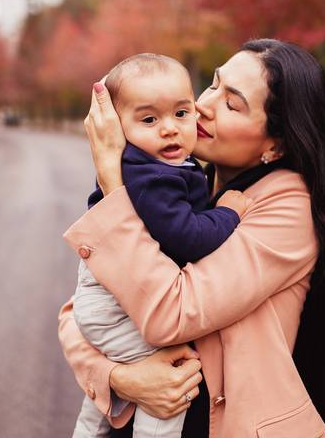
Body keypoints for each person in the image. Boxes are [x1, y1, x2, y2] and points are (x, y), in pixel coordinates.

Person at [59, 39, 325, 437]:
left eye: (232, 103)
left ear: (275, 145)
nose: (204, 105)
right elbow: (77, 313)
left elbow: (170, 315)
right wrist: (119, 378)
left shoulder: (288, 207)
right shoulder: (184, 186)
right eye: (213, 85)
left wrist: (111, 178)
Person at [72, 53, 251, 438]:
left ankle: (88, 430)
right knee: (167, 384)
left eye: (182, 114)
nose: (170, 129)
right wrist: (229, 214)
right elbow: (186, 237)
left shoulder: (158, 164)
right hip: (114, 304)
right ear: (118, 128)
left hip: (113, 294)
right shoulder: (152, 177)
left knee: (117, 379)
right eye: (149, 119)